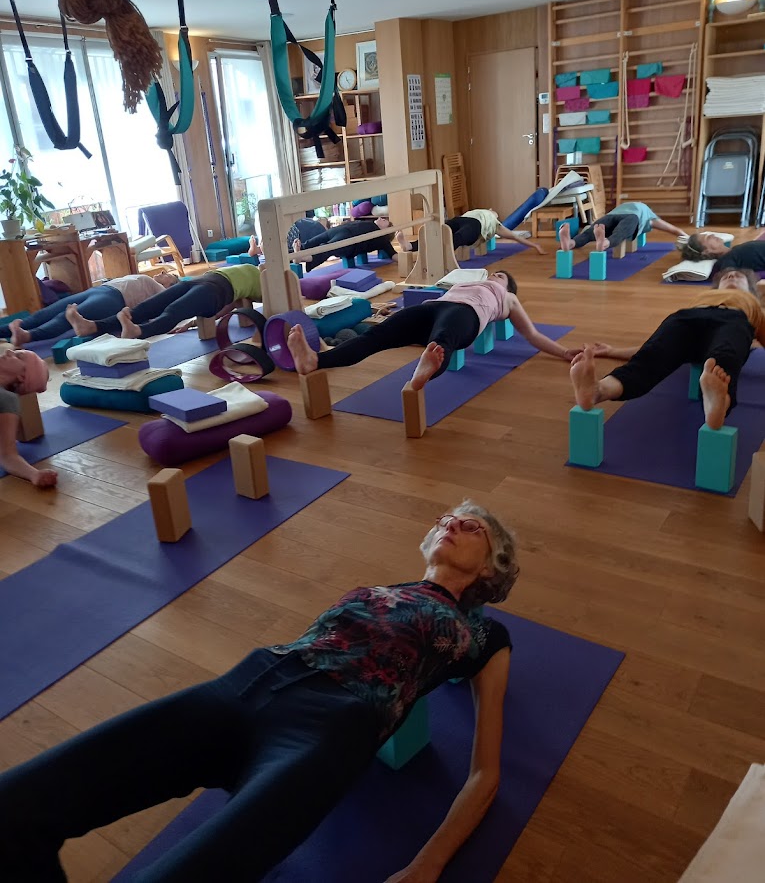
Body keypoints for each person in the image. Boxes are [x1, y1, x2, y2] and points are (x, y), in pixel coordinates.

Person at [0, 502, 519, 883]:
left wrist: (426, 865)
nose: (448, 523)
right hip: (244, 686)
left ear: (491, 567)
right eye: (443, 519)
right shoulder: (389, 590)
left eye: (468, 524)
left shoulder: (485, 636)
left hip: (325, 734)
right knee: (13, 809)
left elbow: (485, 772)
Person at [288, 271, 581, 389]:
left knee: (442, 344)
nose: (495, 275)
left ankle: (425, 372)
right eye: (495, 273)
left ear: (507, 286)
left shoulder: (508, 297)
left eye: (501, 276)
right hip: (431, 308)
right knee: (374, 336)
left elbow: (531, 334)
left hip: (466, 314)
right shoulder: (469, 281)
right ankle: (315, 361)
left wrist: (565, 351)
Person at [570, 268, 765, 430]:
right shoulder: (704, 298)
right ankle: (599, 390)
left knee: (725, 356)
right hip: (687, 319)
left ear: (751, 290)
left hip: (732, 321)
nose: (731, 276)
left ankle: (716, 404)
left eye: (738, 277)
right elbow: (655, 346)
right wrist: (612, 351)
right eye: (726, 277)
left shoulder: (753, 306)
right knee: (652, 357)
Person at [65, 264, 262, 340]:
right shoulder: (256, 270)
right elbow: (233, 306)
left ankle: (138, 332)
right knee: (147, 307)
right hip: (198, 281)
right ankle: (91, 326)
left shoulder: (267, 284)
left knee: (173, 311)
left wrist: (191, 323)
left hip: (214, 291)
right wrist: (192, 323)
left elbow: (227, 308)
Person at [0, 272, 178, 346]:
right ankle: (7, 330)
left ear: (171, 285)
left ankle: (27, 336)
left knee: (65, 318)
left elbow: (161, 314)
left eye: (168, 276)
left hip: (114, 299)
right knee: (46, 312)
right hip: (98, 290)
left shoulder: (161, 291)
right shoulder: (144, 277)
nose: (162, 274)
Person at [0, 345, 54, 488]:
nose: (9, 351)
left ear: (22, 376)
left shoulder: (6, 399)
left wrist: (34, 474)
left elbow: (7, 455)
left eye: (18, 356)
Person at [396, 209, 546, 256]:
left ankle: (443, 256)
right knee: (439, 231)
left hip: (476, 227)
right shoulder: (477, 210)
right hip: (461, 219)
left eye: (494, 212)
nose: (492, 211)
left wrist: (535, 246)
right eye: (491, 210)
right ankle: (410, 246)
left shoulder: (496, 224)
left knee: (457, 237)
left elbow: (515, 237)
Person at [558, 202, 684, 253]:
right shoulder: (650, 217)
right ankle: (605, 242)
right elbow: (673, 229)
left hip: (611, 215)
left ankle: (571, 242)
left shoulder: (625, 205)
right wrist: (689, 237)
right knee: (621, 233)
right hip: (632, 217)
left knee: (589, 233)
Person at [296, 216, 395, 271]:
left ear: (386, 230)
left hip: (349, 240)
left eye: (385, 220)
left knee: (327, 248)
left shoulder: (382, 239)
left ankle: (305, 258)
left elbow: (393, 254)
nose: (381, 218)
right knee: (311, 242)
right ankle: (294, 253)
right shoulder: (369, 222)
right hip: (338, 231)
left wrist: (405, 256)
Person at [680, 231, 765, 280]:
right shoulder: (727, 260)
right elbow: (733, 278)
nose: (712, 235)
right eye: (708, 238)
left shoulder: (734, 250)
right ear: (706, 251)